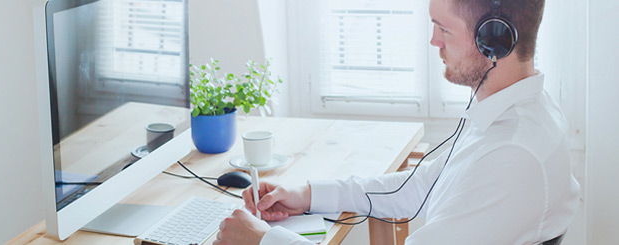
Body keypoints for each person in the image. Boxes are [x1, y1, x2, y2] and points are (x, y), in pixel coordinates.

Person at [213, 0, 580, 244]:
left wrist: (262, 239)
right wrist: (307, 195)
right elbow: (420, 188)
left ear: (493, 40)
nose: (433, 41)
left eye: (443, 29)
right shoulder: (512, 113)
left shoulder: (512, 153)